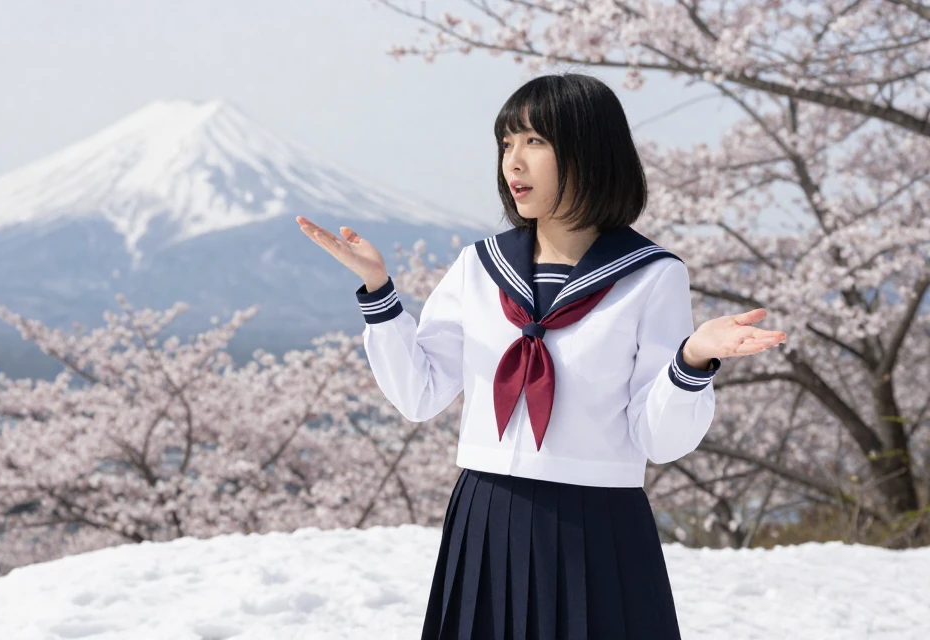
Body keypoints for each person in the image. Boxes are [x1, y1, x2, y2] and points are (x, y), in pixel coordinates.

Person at [296, 72, 786, 640]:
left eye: (535, 141)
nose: (514, 162)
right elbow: (419, 394)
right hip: (486, 513)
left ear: (588, 150)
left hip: (597, 527)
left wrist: (693, 361)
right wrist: (379, 291)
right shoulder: (479, 266)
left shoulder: (652, 275)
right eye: (507, 143)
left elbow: (659, 439)